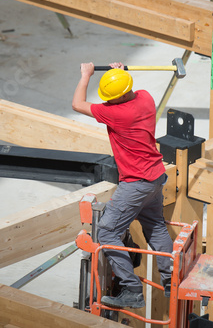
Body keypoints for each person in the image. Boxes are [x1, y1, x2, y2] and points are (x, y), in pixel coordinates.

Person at [72, 62, 173, 309]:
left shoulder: (116, 114)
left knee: (107, 232)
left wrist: (86, 74)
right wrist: (120, 74)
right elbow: (123, 94)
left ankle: (132, 290)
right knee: (156, 226)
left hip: (136, 183)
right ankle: (172, 279)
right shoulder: (146, 99)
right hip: (155, 178)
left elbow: (77, 104)